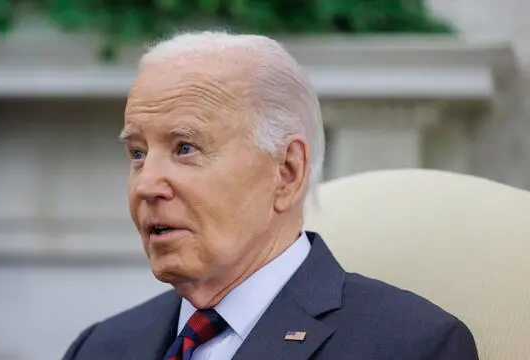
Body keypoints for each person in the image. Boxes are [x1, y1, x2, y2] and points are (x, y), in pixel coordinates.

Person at [62, 31, 479, 360]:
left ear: (287, 171)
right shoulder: (99, 347)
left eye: (185, 148)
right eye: (137, 153)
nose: (146, 184)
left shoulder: (412, 346)